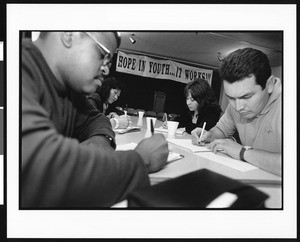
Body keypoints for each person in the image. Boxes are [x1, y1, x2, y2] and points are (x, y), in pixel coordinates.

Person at [22, 31, 169, 208]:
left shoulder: (70, 91)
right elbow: (41, 171)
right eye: (103, 55)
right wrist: (140, 160)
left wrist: (100, 142)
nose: (107, 69)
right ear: (69, 34)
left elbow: (96, 119)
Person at [191, 48, 281, 176]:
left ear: (270, 84)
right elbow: (221, 130)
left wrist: (242, 152)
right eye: (231, 98)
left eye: (246, 97)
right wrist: (209, 135)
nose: (238, 107)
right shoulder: (236, 105)